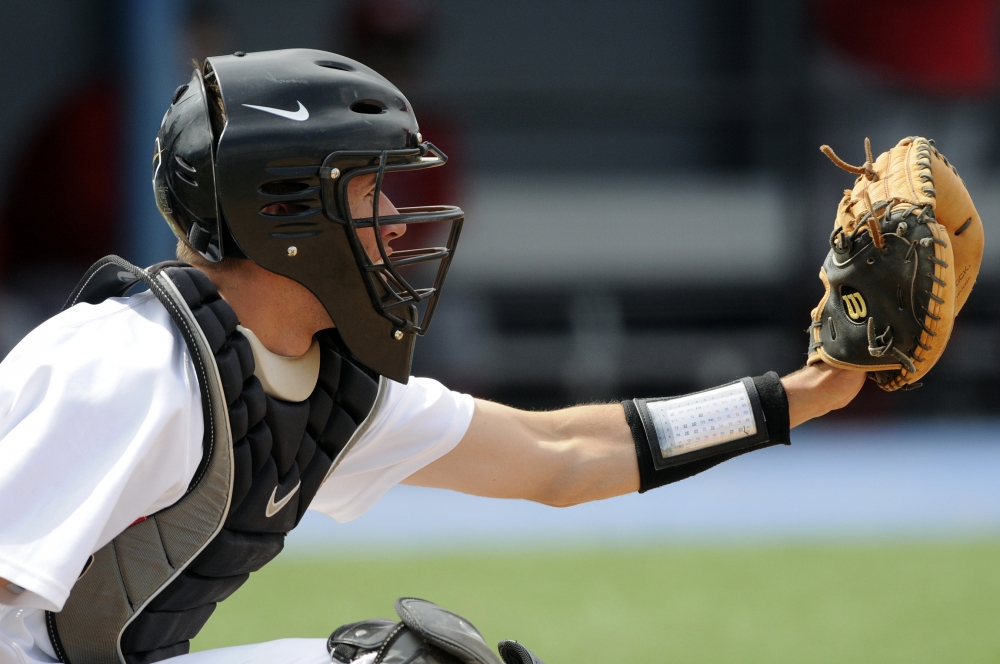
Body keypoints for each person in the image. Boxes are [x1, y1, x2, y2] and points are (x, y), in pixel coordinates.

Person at [0, 49, 864, 664]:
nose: (400, 224)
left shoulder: (317, 380)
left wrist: (813, 389)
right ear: (286, 214)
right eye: (372, 192)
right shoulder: (124, 366)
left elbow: (560, 457)